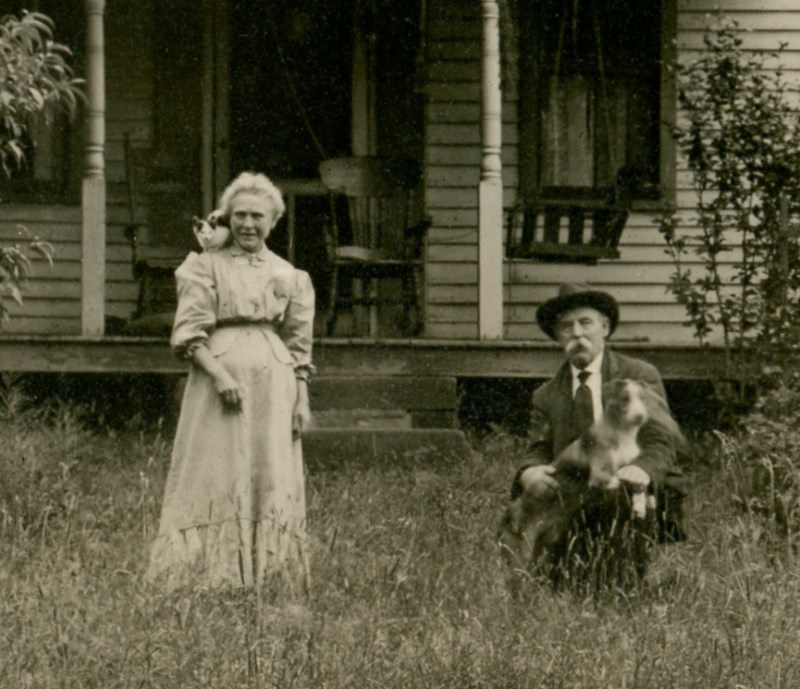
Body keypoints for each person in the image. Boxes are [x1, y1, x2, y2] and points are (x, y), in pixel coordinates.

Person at [147, 172, 315, 593]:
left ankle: (268, 575)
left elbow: (298, 347)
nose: (247, 225)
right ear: (227, 217)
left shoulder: (288, 275)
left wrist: (302, 400)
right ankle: (209, 575)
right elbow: (188, 334)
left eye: (257, 216)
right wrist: (220, 376)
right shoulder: (205, 267)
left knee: (268, 469)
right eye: (239, 215)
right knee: (215, 466)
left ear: (273, 221)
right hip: (218, 380)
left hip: (275, 384)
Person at [510, 283, 687, 588]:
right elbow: (538, 447)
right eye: (566, 327)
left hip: (635, 489)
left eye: (585, 323)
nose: (577, 334)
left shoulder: (639, 375)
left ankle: (626, 580)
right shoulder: (546, 395)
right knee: (555, 584)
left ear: (604, 328)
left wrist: (641, 469)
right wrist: (528, 472)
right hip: (577, 491)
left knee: (616, 578)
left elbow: (661, 440)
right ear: (557, 337)